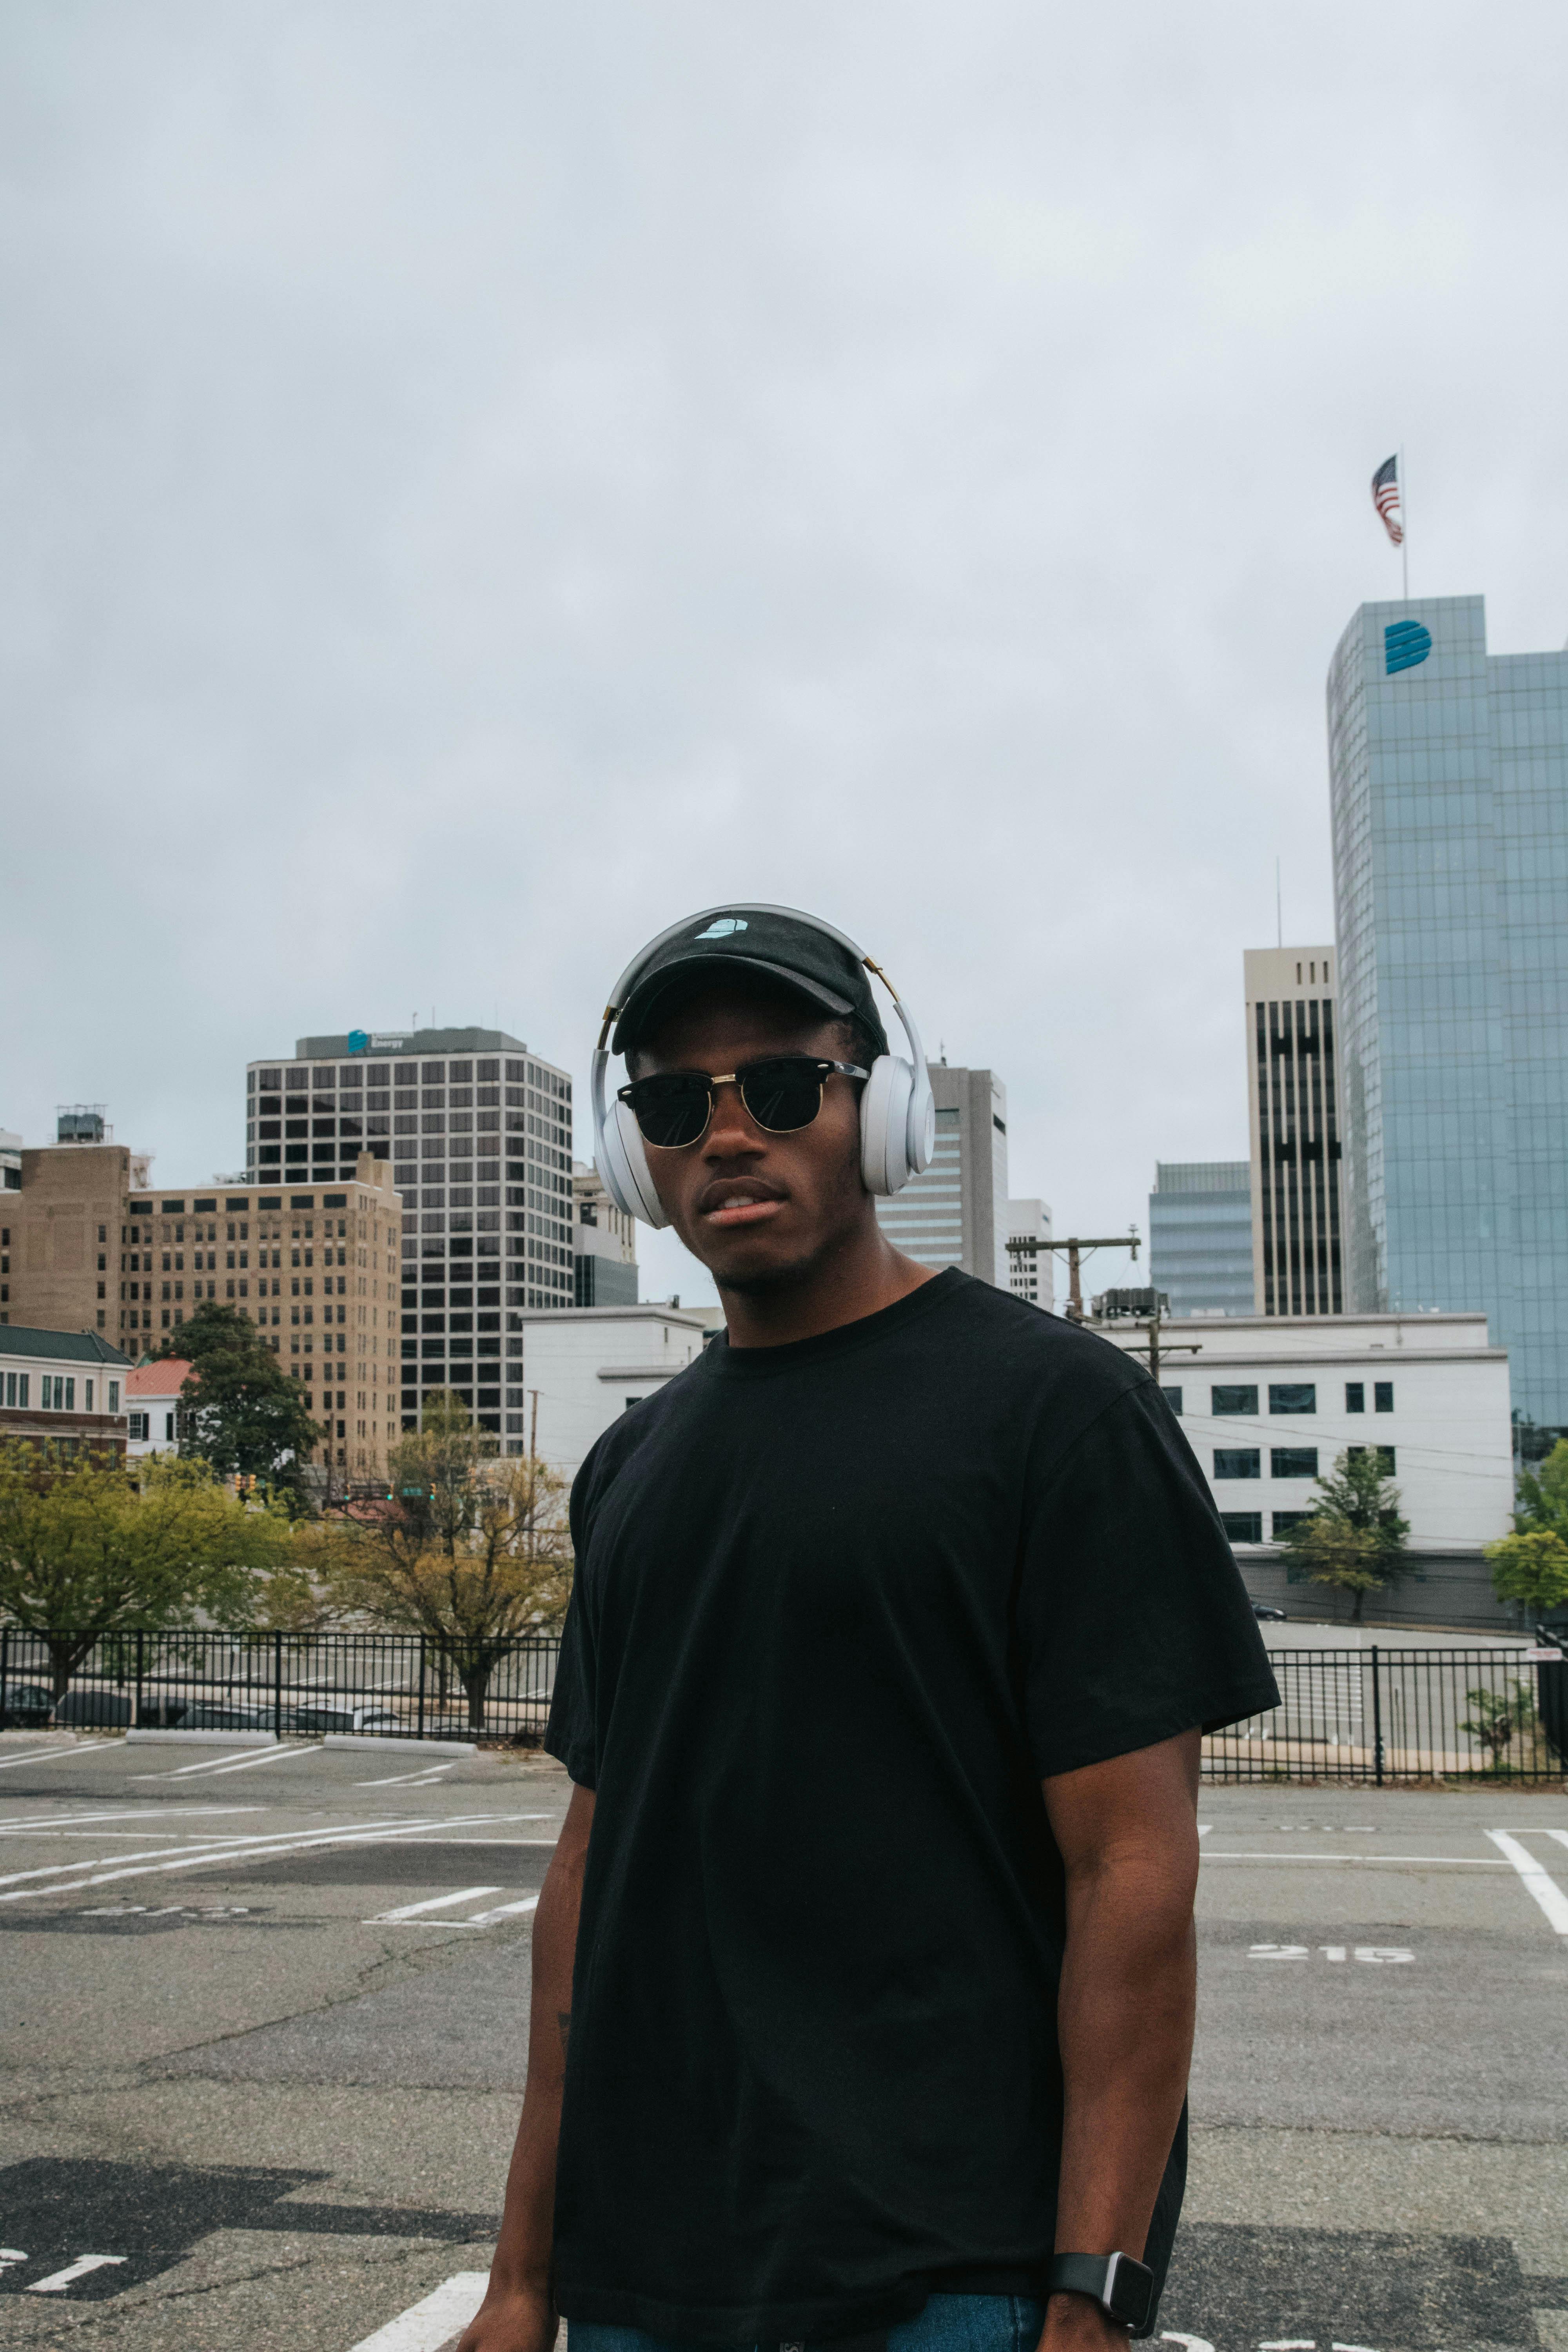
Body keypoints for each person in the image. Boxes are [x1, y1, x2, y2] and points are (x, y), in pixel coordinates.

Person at [460, 906, 1278, 2352]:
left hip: (955, 2272)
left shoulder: (1059, 1415)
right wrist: (524, 2277)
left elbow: (1133, 1873)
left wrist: (1096, 2294)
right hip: (651, 2272)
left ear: (880, 1112)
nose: (726, 1133)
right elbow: (586, 1880)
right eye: (670, 1100)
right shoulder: (630, 1469)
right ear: (631, 1152)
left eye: (780, 1085)